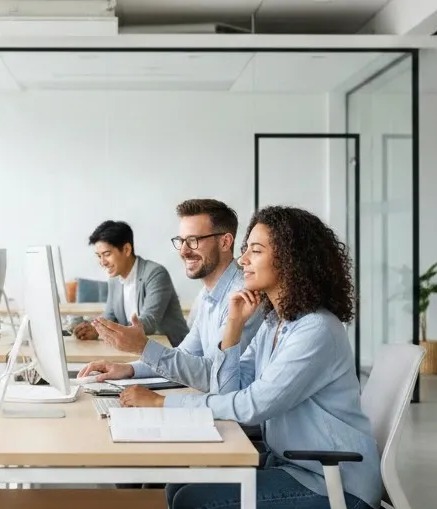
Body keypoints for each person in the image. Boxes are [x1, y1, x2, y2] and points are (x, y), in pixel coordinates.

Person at [117, 206, 381, 509]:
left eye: (255, 251)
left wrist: (161, 403)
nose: (243, 261)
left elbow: (251, 405)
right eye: (246, 250)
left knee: (192, 499)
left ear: (290, 260)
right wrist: (233, 327)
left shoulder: (315, 330)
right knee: (179, 485)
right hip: (291, 463)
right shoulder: (275, 323)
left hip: (332, 481)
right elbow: (229, 391)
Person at [78, 199, 263, 395]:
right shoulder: (207, 294)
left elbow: (215, 374)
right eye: (181, 241)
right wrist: (128, 369)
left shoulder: (243, 296)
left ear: (225, 242)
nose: (183, 251)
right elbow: (184, 356)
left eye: (193, 241)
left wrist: (144, 347)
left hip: (234, 420)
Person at [73, 220, 189, 347]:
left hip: (173, 352)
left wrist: (102, 330)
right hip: (139, 352)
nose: (102, 262)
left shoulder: (155, 274)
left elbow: (149, 322)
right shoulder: (114, 280)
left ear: (127, 249)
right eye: (99, 256)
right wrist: (93, 327)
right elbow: (110, 315)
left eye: (107, 254)